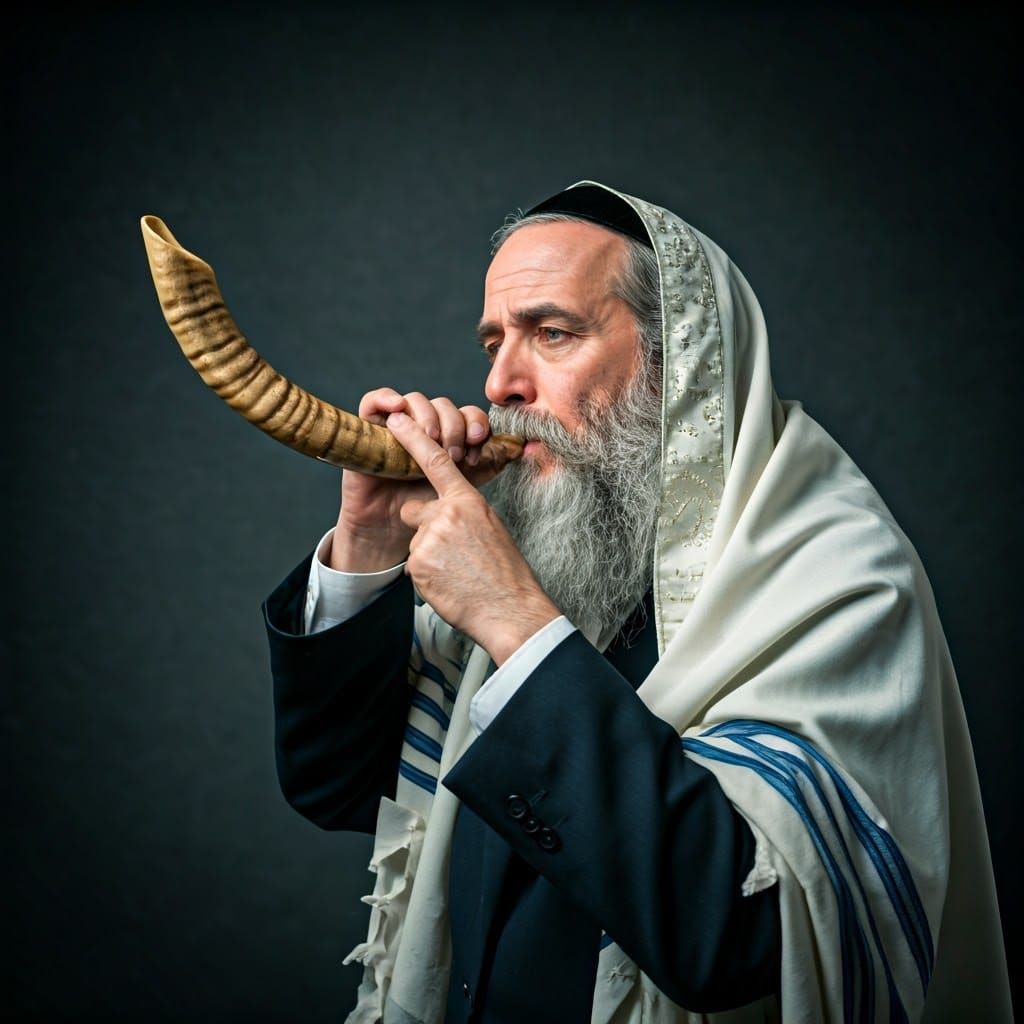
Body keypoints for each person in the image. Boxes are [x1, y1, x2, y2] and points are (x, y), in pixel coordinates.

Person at [262, 181, 1011, 1022]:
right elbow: (339, 789)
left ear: (678, 357)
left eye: (552, 333)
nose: (501, 382)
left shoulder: (836, 576)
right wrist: (367, 542)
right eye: (492, 342)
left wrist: (514, 620)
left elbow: (734, 941)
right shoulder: (549, 540)